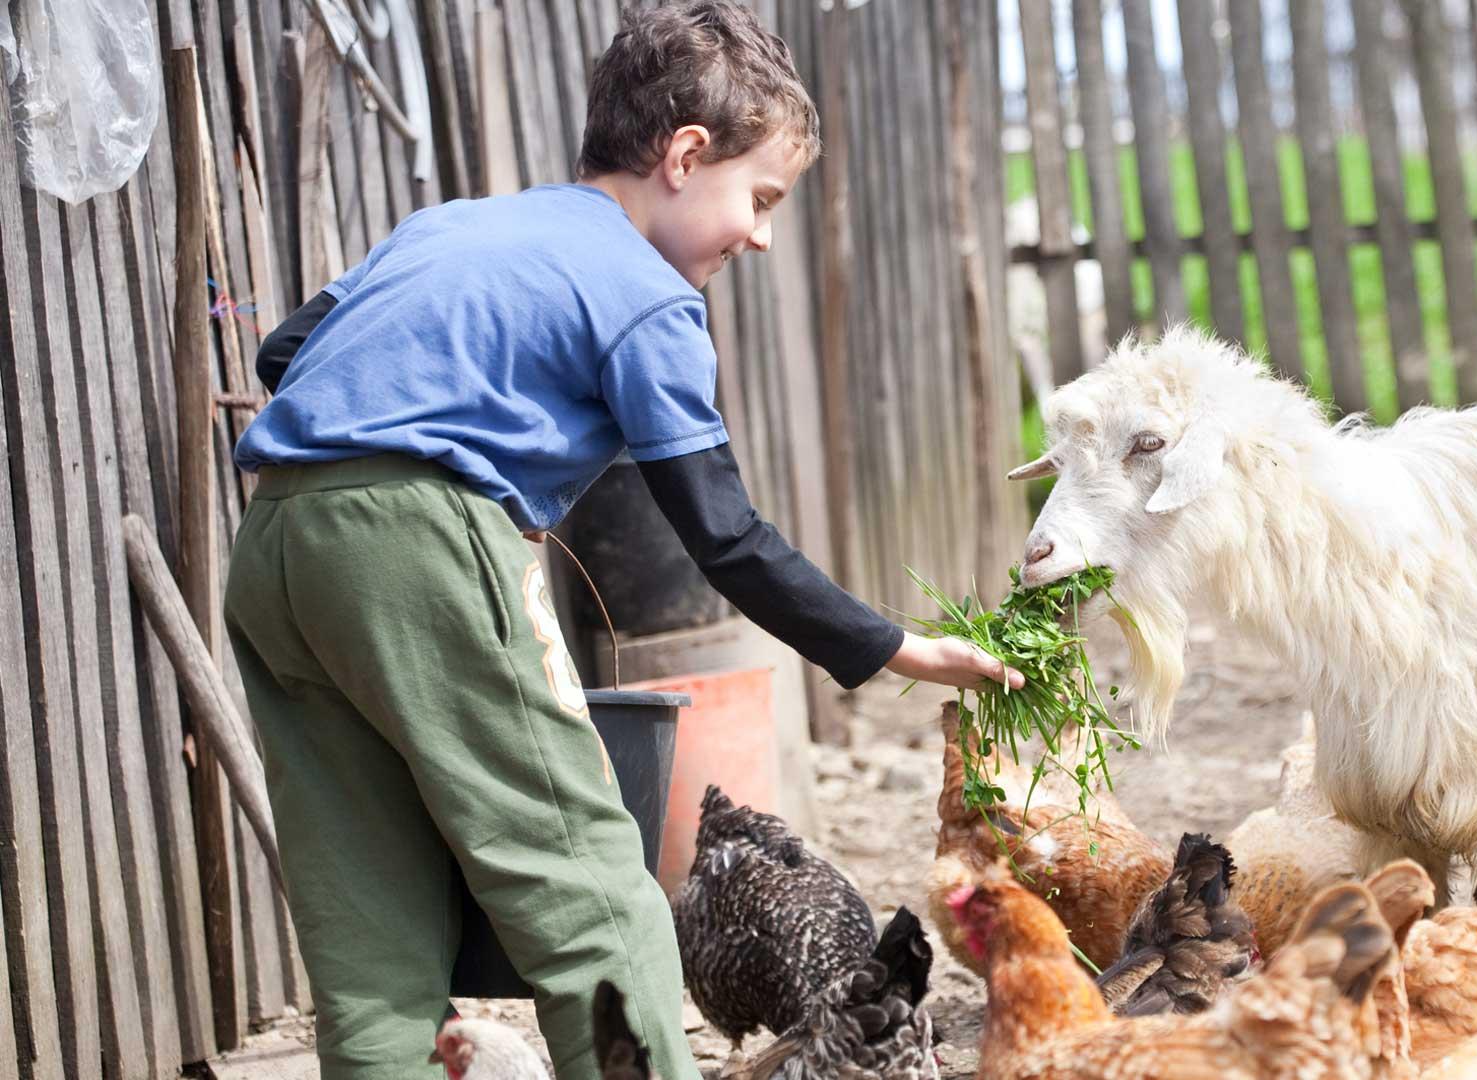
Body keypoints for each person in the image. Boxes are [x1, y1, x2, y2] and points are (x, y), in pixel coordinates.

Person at [223, 3, 1020, 1077]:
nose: (762, 234)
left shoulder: (449, 226)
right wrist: (900, 649)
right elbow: (726, 534)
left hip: (277, 541)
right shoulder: (647, 298)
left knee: (366, 923)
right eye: (762, 197)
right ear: (687, 155)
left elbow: (287, 351)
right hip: (416, 547)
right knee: (593, 889)